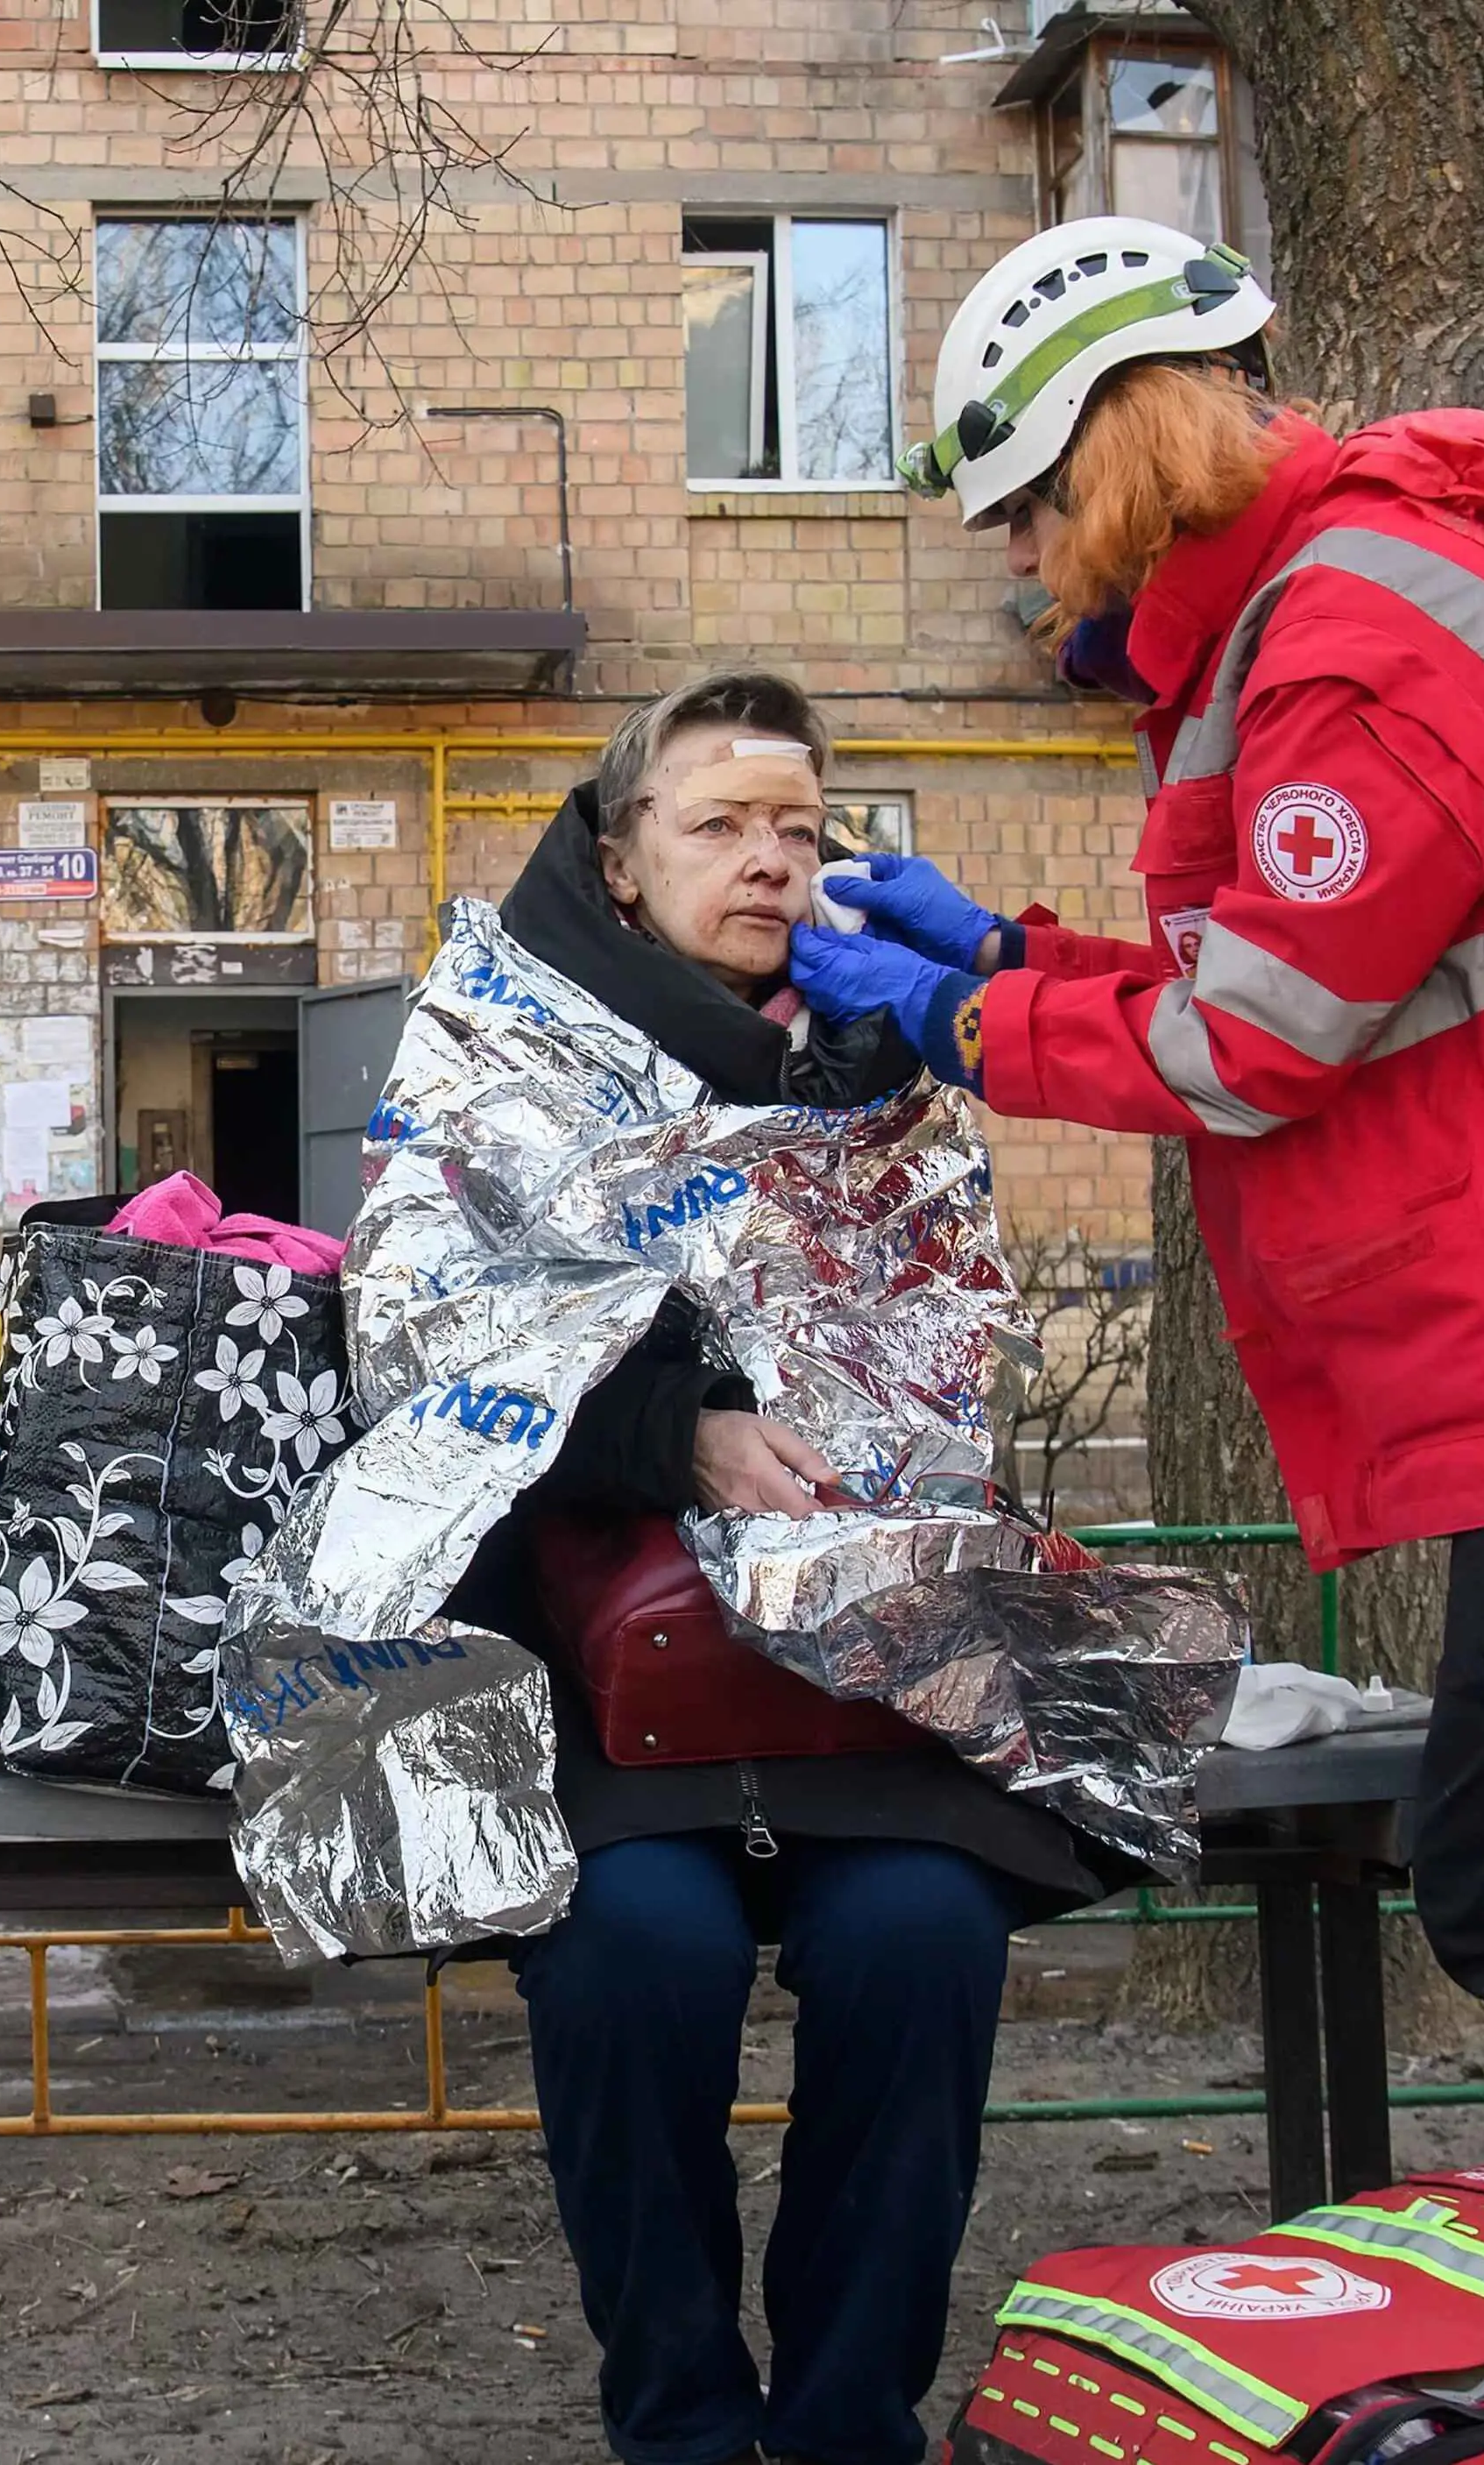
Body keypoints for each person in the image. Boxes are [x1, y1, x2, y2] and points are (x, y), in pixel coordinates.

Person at [791, 216, 1484, 2173]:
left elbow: (1254, 1046)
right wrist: (1007, 957)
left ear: (1108, 461)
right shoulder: (1324, 612)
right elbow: (1294, 978)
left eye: (1023, 514)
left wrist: (963, 1023)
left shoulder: (1358, 637)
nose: (1020, 565)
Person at [447, 671, 1133, 2465]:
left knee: (919, 1944)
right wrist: (668, 1424)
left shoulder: (889, 1067)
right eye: (719, 822)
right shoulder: (497, 1044)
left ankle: (847, 2424)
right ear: (618, 856)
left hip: (863, 1678)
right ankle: (678, 2421)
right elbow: (422, 1335)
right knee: (632, 1957)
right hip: (605, 1683)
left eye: (800, 829)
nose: (768, 859)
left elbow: (951, 1363)